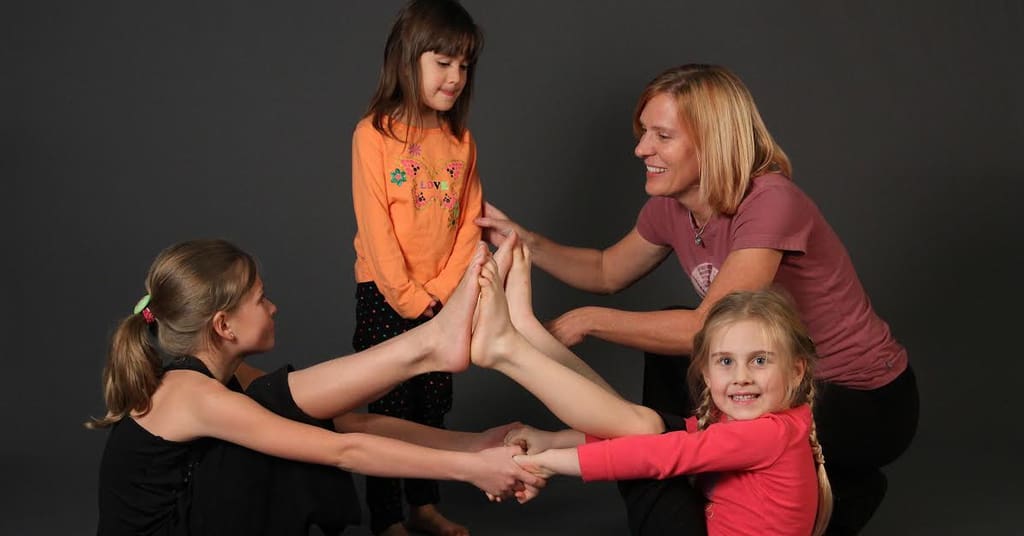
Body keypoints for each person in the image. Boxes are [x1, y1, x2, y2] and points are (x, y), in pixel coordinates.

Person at [475, 64, 918, 534]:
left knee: (657, 430)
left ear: (713, 142)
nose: (641, 149)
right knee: (664, 375)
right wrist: (524, 240)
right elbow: (606, 270)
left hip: (860, 403)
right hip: (770, 385)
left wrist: (588, 321)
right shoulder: (672, 206)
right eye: (644, 133)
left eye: (662, 136)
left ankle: (699, 488)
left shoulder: (769, 201)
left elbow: (708, 326)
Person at [88, 239, 543, 536]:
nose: (274, 307)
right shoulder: (193, 394)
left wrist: (471, 447)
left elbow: (351, 424)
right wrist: (472, 471)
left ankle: (431, 346)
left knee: (284, 408)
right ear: (224, 326)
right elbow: (342, 452)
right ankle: (426, 346)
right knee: (275, 410)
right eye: (260, 299)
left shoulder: (220, 381)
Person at [469, 238, 832, 535]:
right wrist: (553, 440)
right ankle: (525, 336)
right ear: (706, 372)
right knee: (644, 426)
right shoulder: (756, 425)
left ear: (797, 371)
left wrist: (551, 463)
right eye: (726, 361)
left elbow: (655, 455)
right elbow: (641, 433)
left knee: (646, 446)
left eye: (760, 360)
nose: (741, 376)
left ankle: (511, 349)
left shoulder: (768, 434)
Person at [349, 1, 489, 534]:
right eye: (443, 62)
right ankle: (387, 519)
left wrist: (445, 291)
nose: (455, 77)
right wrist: (411, 299)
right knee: (389, 410)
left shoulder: (461, 141)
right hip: (386, 295)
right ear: (409, 60)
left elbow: (470, 223)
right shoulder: (373, 135)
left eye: (464, 66)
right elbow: (376, 229)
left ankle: (422, 505)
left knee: (432, 404)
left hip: (444, 299)